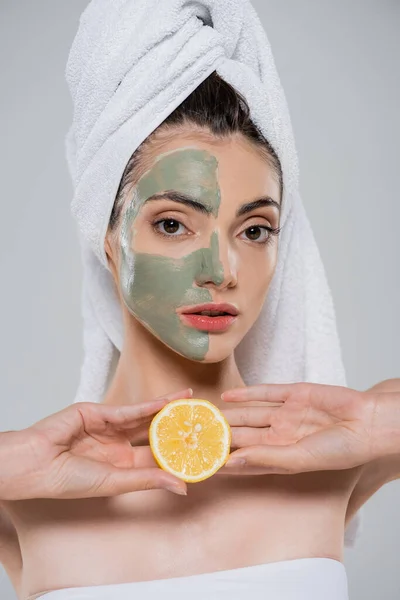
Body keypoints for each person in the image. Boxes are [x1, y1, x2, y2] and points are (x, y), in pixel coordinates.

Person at [0, 1, 397, 599]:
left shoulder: (331, 456)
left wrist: (383, 423)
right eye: (172, 224)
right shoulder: (24, 496)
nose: (221, 271)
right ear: (107, 239)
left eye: (255, 230)